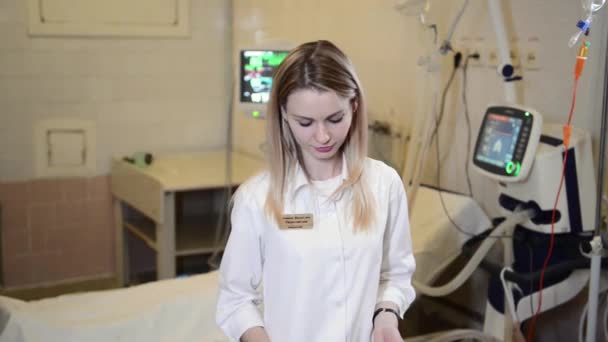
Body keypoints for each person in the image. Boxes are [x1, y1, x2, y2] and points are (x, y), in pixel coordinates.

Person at [216, 40, 416, 342]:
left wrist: (386, 316)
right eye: (305, 122)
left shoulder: (384, 185)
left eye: (335, 119)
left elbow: (395, 275)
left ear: (354, 106)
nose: (322, 136)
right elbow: (235, 300)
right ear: (284, 114)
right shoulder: (256, 198)